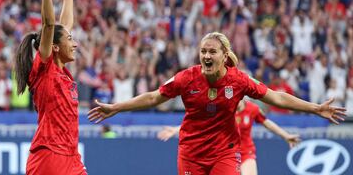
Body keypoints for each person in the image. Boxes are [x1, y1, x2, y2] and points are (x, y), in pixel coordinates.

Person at [88, 32, 346, 175]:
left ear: (224, 56)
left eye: (212, 52)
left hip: (225, 152)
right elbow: (154, 97)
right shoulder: (186, 78)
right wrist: (117, 107)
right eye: (203, 52)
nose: (207, 56)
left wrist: (315, 108)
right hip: (191, 154)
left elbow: (276, 97)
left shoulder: (239, 80)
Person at [14, 0, 86, 175]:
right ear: (54, 47)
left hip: (71, 155)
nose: (75, 44)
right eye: (70, 40)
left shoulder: (64, 72)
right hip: (49, 157)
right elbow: (49, 25)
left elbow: (63, 27)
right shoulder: (44, 68)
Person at [157, 99, 301, 175]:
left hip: (246, 153)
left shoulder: (252, 109)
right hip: (226, 154)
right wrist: (176, 130)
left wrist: (286, 135)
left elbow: (267, 123)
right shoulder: (224, 108)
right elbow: (199, 122)